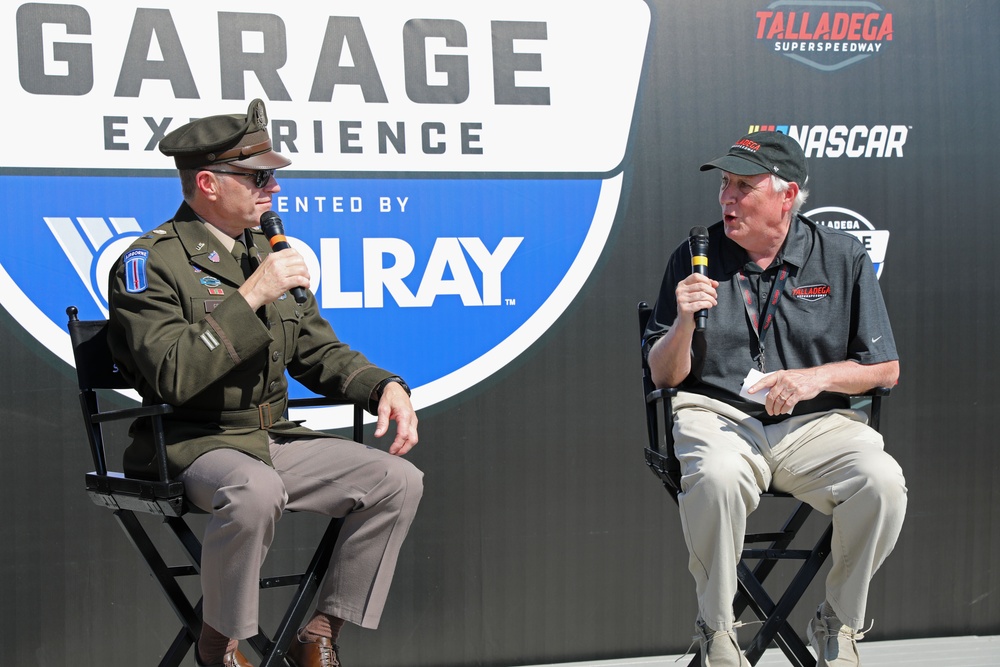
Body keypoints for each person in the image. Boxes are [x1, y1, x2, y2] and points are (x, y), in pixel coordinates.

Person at [107, 99, 423, 667]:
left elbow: (315, 349)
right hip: (190, 442)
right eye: (257, 177)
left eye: (272, 175)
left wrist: (382, 387)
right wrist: (250, 295)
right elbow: (172, 375)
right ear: (207, 182)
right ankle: (218, 644)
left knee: (396, 480)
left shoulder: (266, 251)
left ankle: (320, 631)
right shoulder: (150, 262)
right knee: (253, 490)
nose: (272, 189)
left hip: (270, 437)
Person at [643, 131, 907, 667]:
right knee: (715, 476)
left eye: (744, 186)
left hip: (814, 424)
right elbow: (664, 376)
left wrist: (814, 378)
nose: (727, 199)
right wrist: (686, 320)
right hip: (717, 417)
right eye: (724, 184)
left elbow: (886, 369)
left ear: (787, 196)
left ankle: (838, 620)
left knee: (882, 482)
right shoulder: (693, 256)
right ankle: (716, 630)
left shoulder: (842, 255)